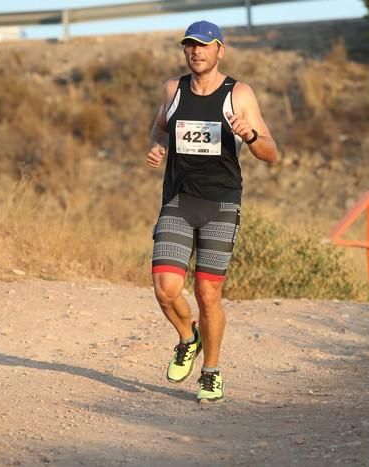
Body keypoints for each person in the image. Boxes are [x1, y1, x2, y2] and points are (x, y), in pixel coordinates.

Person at [147, 20, 278, 403]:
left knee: (207, 293)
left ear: (221, 50)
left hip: (221, 203)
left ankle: (211, 371)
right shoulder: (173, 89)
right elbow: (159, 129)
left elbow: (272, 152)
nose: (196, 52)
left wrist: (250, 135)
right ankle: (189, 338)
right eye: (190, 45)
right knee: (166, 289)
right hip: (178, 199)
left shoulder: (239, 94)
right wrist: (157, 147)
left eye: (205, 45)